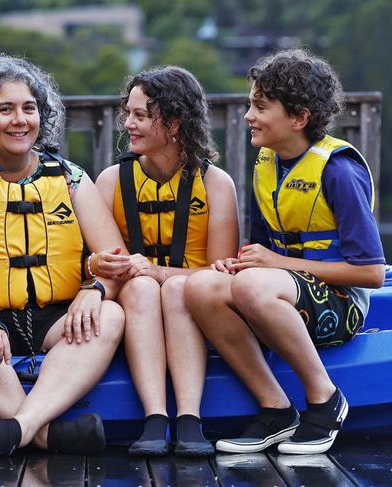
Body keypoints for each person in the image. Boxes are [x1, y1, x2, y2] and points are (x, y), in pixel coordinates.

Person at [0, 54, 126, 458]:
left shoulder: (70, 178)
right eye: (5, 109)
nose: (20, 120)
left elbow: (115, 259)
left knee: (112, 314)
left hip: (57, 322)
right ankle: (48, 435)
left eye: (29, 108)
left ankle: (18, 429)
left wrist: (95, 289)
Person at [185, 49, 385, 454]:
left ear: (298, 117)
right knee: (201, 286)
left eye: (260, 106)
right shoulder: (267, 164)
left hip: (341, 305)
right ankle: (275, 409)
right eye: (249, 104)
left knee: (253, 287)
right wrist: (238, 263)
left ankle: (326, 400)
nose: (248, 116)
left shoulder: (339, 171)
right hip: (283, 292)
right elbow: (262, 251)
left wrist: (274, 265)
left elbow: (372, 274)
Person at [94, 66, 239, 456]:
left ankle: (189, 419)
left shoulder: (215, 184)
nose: (129, 124)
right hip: (135, 299)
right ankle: (155, 418)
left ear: (173, 123)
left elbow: (221, 274)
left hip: (188, 300)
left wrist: (161, 272)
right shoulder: (111, 181)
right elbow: (91, 260)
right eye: (129, 113)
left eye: (140, 115)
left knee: (176, 287)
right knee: (141, 287)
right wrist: (103, 265)